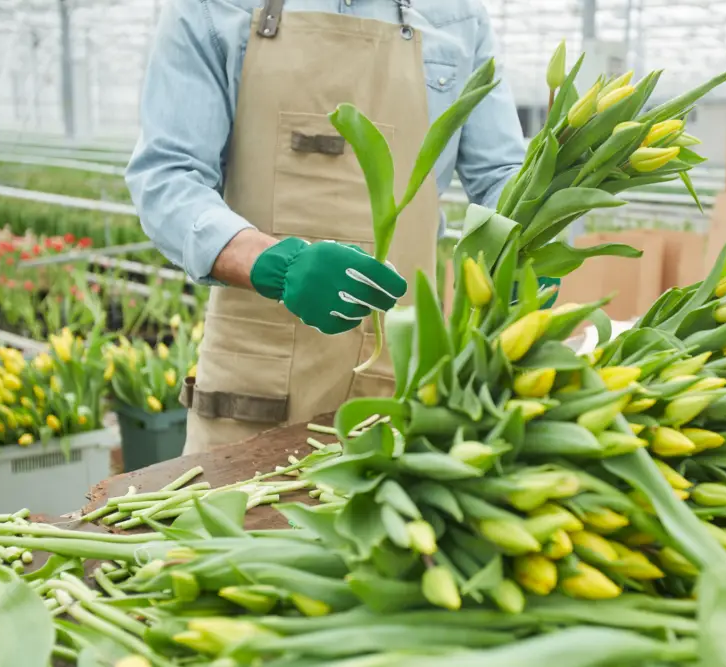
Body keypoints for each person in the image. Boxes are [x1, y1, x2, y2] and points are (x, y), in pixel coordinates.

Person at [125, 0, 527, 454]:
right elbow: (167, 175)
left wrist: (527, 241)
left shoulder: (455, 15)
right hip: (256, 383)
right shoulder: (215, 8)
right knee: (244, 513)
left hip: (406, 374)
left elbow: (500, 173)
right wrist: (274, 263)